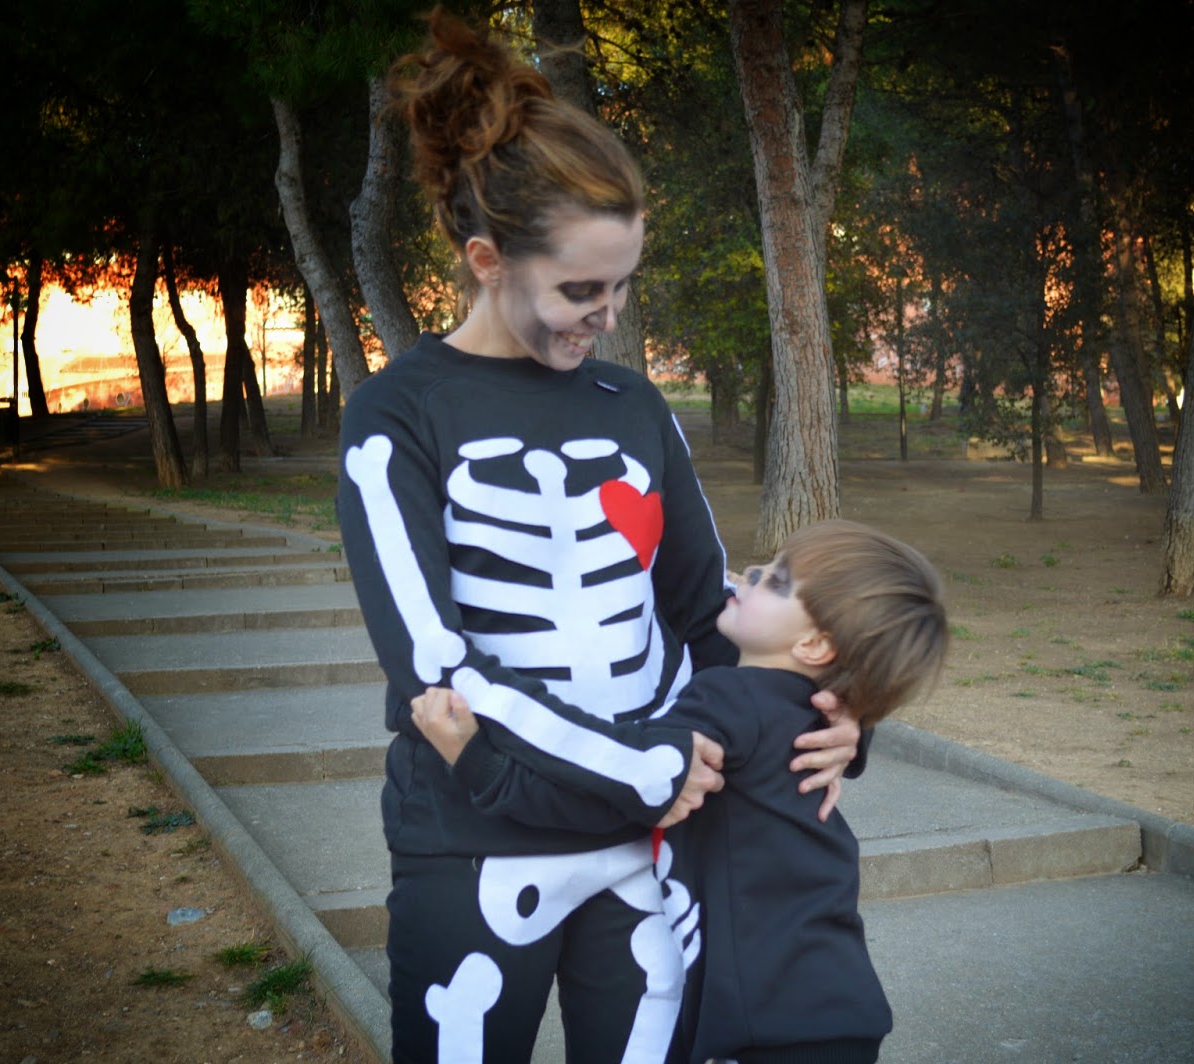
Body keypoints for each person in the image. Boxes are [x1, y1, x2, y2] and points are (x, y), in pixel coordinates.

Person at [336, 9, 864, 1063]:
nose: (608, 315)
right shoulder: (396, 416)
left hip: (652, 848)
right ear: (487, 259)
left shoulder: (635, 408)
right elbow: (436, 668)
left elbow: (709, 616)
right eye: (580, 289)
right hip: (476, 840)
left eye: (622, 285)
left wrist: (828, 718)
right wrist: (642, 763)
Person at [412, 520, 949, 1064]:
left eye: (777, 581)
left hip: (771, 1027)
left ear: (813, 645)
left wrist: (480, 763)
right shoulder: (812, 716)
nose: (751, 572)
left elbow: (610, 790)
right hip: (837, 1007)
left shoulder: (725, 700)